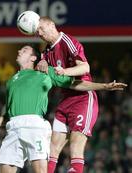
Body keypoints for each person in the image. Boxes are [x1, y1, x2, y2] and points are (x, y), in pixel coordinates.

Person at [0, 45, 126, 173]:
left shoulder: (44, 73)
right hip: (13, 128)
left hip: (35, 126)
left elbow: (75, 84)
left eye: (24, 50)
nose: (18, 51)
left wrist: (104, 86)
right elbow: (8, 116)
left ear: (33, 58)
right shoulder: (11, 81)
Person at [34, 16, 115, 173]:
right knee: (52, 149)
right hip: (65, 100)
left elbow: (85, 67)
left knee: (75, 145)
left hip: (83, 97)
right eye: (37, 31)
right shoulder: (46, 52)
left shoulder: (67, 42)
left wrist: (65, 71)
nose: (39, 33)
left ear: (52, 25)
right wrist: (41, 64)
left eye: (41, 28)